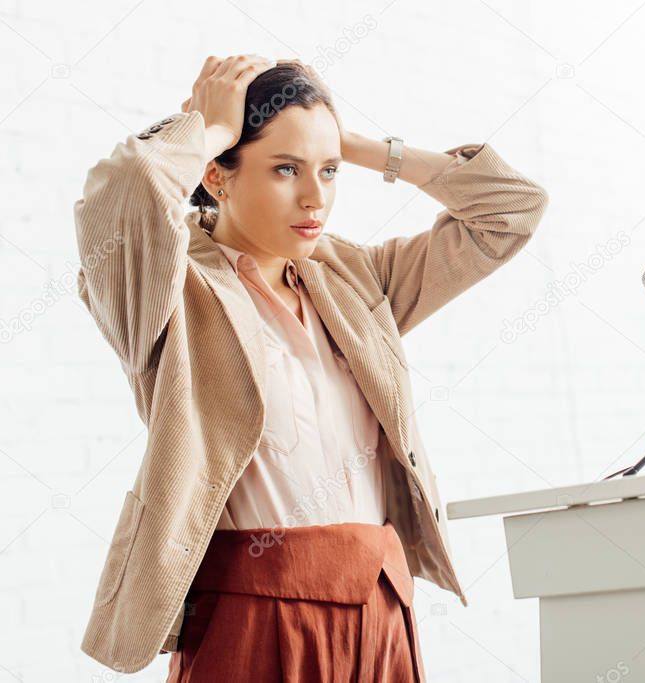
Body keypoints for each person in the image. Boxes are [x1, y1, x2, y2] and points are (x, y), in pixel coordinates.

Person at [74, 54, 549, 681]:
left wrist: (349, 145)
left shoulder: (356, 278)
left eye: (327, 172)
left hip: (381, 613)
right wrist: (210, 126)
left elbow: (511, 210)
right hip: (252, 614)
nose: (314, 196)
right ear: (217, 177)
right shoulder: (167, 290)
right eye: (284, 169)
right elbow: (128, 188)